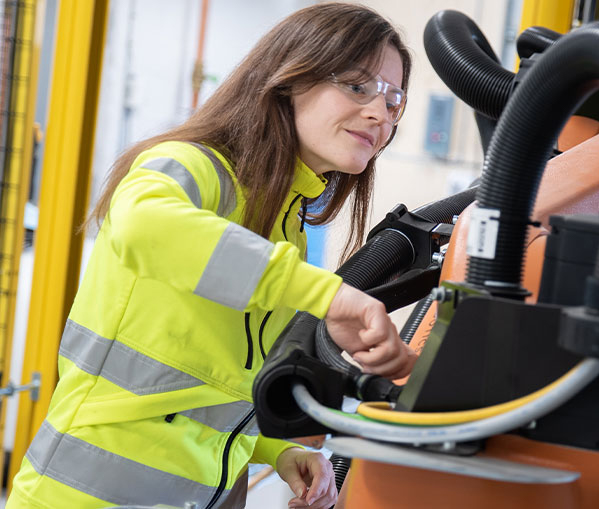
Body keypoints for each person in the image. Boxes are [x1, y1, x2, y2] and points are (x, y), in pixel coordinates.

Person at [8, 3, 415, 508]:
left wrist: (276, 450)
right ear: (288, 78)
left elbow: (209, 388)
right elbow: (142, 224)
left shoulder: (283, 225)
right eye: (357, 86)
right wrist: (328, 296)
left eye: (395, 101)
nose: (380, 113)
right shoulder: (190, 166)